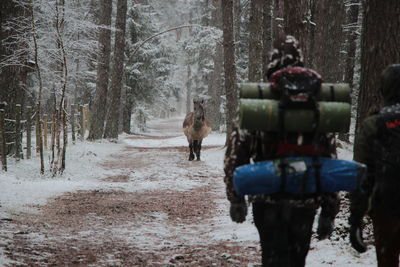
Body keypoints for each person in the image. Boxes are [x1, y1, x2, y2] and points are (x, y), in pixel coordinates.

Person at [223, 35, 340, 267]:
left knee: (273, 258)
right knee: (297, 260)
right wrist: (329, 209)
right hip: (305, 200)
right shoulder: (318, 102)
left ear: (272, 62)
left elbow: (236, 154)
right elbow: (330, 160)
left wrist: (236, 198)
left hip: (268, 199)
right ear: (301, 61)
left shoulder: (260, 101)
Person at [349, 64, 400, 267]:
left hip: (385, 206)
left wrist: (355, 219)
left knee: (387, 261)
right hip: (385, 204)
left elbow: (361, 175)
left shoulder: (373, 125)